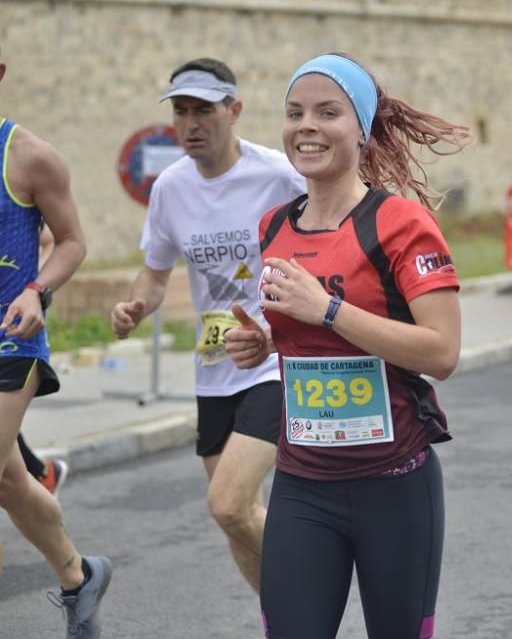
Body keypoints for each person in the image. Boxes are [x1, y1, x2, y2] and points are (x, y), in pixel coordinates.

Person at [224, 52, 470, 638]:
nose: (306, 126)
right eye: (294, 112)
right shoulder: (273, 227)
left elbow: (442, 352)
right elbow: (302, 334)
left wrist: (327, 310)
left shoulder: (400, 224)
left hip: (395, 486)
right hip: (303, 484)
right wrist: (262, 343)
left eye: (327, 112)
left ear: (361, 129)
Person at [110, 57, 305, 594]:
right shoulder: (170, 188)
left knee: (228, 503)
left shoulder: (277, 176)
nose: (190, 124)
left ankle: (318, 578)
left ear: (234, 110)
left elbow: (332, 231)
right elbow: (154, 274)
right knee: (237, 521)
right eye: (181, 112)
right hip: (213, 369)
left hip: (272, 360)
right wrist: (135, 307)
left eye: (203, 110)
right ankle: (287, 622)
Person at [0, 43, 112, 637]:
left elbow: (71, 241)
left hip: (11, 337)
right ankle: (78, 575)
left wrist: (35, 291)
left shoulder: (28, 157)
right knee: (10, 478)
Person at [18, 224, 70, 497]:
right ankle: (42, 473)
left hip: (13, 330)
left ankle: (42, 474)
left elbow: (53, 240)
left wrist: (31, 290)